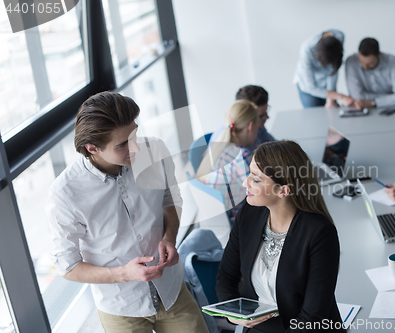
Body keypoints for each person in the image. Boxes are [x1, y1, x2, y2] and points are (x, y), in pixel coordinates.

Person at [46, 92, 208, 333]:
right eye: (122, 144)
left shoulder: (155, 150)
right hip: (121, 308)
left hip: (172, 290)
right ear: (92, 148)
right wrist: (123, 273)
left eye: (135, 134)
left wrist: (169, 237)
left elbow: (169, 199)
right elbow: (68, 266)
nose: (136, 147)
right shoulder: (65, 193)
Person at [216, 141, 345, 332]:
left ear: (283, 190)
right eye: (250, 173)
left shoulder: (319, 233)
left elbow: (312, 318)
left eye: (256, 179)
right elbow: (226, 277)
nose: (246, 183)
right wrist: (234, 315)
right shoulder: (248, 213)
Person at [197, 100, 259, 223]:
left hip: (217, 224)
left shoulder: (213, 151)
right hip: (239, 223)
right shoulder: (242, 156)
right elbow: (259, 195)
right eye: (258, 127)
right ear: (250, 126)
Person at [294, 29, 354, 108]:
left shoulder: (339, 37)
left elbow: (333, 69)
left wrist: (331, 99)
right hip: (308, 87)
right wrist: (341, 97)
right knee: (314, 116)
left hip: (326, 84)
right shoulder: (306, 50)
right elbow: (311, 88)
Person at [345, 37, 395, 110]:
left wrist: (373, 103)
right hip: (364, 110)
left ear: (379, 55)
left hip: (394, 109)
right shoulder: (351, 62)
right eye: (362, 63)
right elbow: (357, 97)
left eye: (370, 64)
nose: (365, 67)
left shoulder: (392, 61)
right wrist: (391, 98)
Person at [209, 85, 275, 152]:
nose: (267, 117)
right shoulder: (239, 153)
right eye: (261, 116)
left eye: (266, 112)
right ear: (249, 124)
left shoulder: (259, 129)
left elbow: (275, 146)